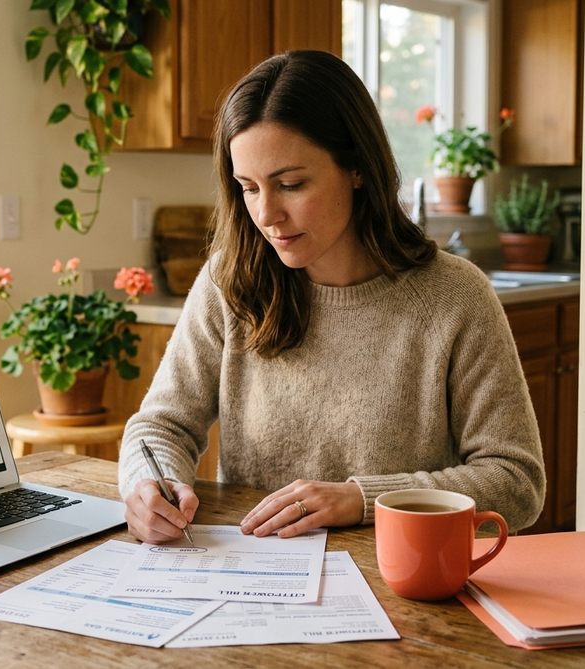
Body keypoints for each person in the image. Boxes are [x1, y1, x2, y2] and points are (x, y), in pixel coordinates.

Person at [117, 50, 544, 544]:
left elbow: (517, 481)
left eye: (291, 184)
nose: (267, 213)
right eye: (248, 188)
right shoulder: (230, 283)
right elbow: (160, 425)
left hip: (403, 583)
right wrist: (150, 485)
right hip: (253, 579)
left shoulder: (455, 297)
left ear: (357, 167)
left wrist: (362, 499)